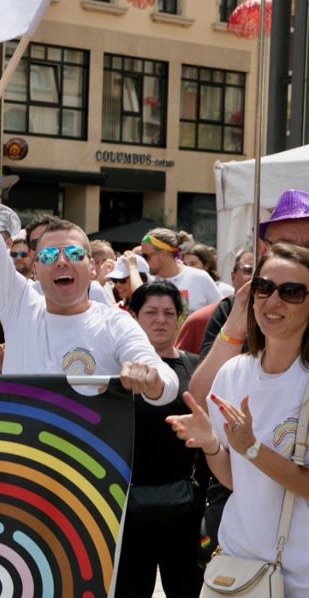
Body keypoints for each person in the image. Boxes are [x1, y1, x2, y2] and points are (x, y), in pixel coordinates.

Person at [0, 94, 178, 403]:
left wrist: (152, 380)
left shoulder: (114, 324)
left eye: (74, 254)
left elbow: (167, 382)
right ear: (35, 269)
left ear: (92, 267)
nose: (62, 261)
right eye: (49, 255)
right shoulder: (19, 306)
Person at [167, 243, 309, 595]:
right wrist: (212, 445)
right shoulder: (233, 373)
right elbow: (235, 479)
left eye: (291, 292)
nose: (273, 301)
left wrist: (253, 449)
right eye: (264, 287)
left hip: (299, 578)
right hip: (236, 568)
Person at [115, 282, 205, 597]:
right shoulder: (116, 372)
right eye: (151, 312)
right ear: (134, 317)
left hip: (186, 511)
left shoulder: (196, 368)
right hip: (128, 512)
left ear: (179, 319)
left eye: (169, 313)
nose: (160, 320)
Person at [190, 189, 309, 406]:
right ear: (263, 249)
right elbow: (200, 400)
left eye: (307, 247)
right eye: (285, 245)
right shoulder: (236, 307)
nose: (297, 255)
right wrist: (235, 328)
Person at [141, 228, 220, 317]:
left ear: (162, 254)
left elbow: (221, 314)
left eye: (145, 256)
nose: (144, 261)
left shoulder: (200, 278)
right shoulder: (146, 282)